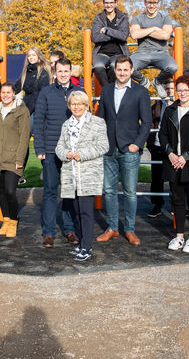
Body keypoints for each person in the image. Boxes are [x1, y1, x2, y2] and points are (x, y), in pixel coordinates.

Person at [96, 55, 152, 246]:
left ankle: (129, 229)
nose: (122, 73)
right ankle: (112, 228)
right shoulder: (106, 90)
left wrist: (137, 144)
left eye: (125, 70)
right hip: (109, 149)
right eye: (119, 69)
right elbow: (100, 119)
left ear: (131, 70)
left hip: (130, 149)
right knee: (109, 191)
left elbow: (146, 123)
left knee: (130, 193)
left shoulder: (140, 92)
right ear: (115, 70)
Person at [34, 58, 84, 247]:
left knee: (70, 192)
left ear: (71, 72)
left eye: (66, 71)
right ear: (55, 72)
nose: (63, 74)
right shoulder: (46, 93)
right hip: (51, 150)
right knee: (50, 191)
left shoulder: (79, 93)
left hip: (72, 151)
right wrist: (39, 148)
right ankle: (48, 232)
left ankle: (70, 229)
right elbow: (38, 121)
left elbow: (86, 121)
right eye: (60, 71)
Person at [55, 90, 109, 261]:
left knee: (86, 211)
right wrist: (66, 153)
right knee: (77, 210)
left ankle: (86, 246)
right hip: (71, 173)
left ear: (86, 105)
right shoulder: (66, 125)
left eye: (79, 104)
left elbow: (103, 146)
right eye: (73, 104)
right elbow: (59, 147)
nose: (76, 107)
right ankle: (82, 243)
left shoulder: (97, 123)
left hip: (88, 173)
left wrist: (81, 154)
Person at [159, 74, 189, 253]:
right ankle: (179, 236)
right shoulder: (170, 110)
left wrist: (185, 157)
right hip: (174, 162)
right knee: (177, 200)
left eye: (185, 90)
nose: (182, 93)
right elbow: (162, 134)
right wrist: (171, 154)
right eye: (179, 90)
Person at [0, 83, 31, 238]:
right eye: (3, 92)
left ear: (14, 93)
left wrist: (20, 159)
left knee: (10, 191)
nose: (5, 95)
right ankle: (5, 220)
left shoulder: (21, 111)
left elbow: (24, 137)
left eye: (8, 92)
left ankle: (13, 221)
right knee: (1, 191)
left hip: (13, 158)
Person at [128, 0, 178, 97]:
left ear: (158, 3)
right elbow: (134, 35)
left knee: (173, 67)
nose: (151, 6)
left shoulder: (165, 18)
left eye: (154, 3)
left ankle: (158, 81)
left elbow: (165, 35)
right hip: (142, 53)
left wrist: (144, 31)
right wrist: (154, 29)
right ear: (145, 3)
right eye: (149, 3)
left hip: (161, 53)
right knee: (127, 67)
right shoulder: (138, 18)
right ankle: (143, 81)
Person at [146, 75, 176, 218]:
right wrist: (151, 144)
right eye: (167, 88)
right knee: (156, 177)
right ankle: (157, 205)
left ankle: (175, 205)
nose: (170, 91)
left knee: (174, 177)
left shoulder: (178, 105)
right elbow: (151, 124)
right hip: (158, 145)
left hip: (173, 147)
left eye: (172, 88)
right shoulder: (156, 106)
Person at [90, 0, 130, 87]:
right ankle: (107, 91)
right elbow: (95, 37)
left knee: (114, 67)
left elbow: (124, 36)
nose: (109, 5)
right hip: (102, 52)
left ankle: (107, 92)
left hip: (118, 53)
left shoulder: (122, 18)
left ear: (115, 3)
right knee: (98, 67)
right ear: (103, 4)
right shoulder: (99, 19)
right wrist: (115, 34)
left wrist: (106, 30)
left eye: (111, 2)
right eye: (106, 3)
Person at [14, 46, 52, 114]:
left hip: (37, 109)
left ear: (39, 56)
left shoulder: (43, 72)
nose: (31, 57)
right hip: (26, 107)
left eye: (34, 55)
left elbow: (43, 93)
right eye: (29, 55)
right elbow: (16, 88)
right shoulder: (26, 72)